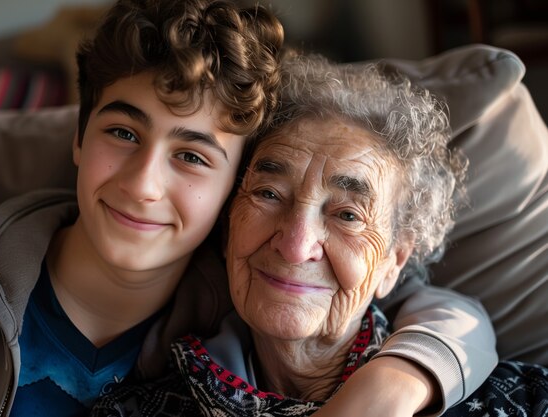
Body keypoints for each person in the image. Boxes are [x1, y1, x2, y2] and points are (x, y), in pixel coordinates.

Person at [0, 2, 496, 417]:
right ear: (77, 136)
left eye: (193, 157)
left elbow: (413, 293)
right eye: (122, 132)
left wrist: (398, 379)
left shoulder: (256, 289)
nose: (144, 185)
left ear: (234, 189)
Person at [89, 53, 522, 417]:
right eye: (269, 193)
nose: (296, 245)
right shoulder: (134, 409)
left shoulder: (512, 400)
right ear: (227, 224)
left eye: (348, 215)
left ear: (394, 261)